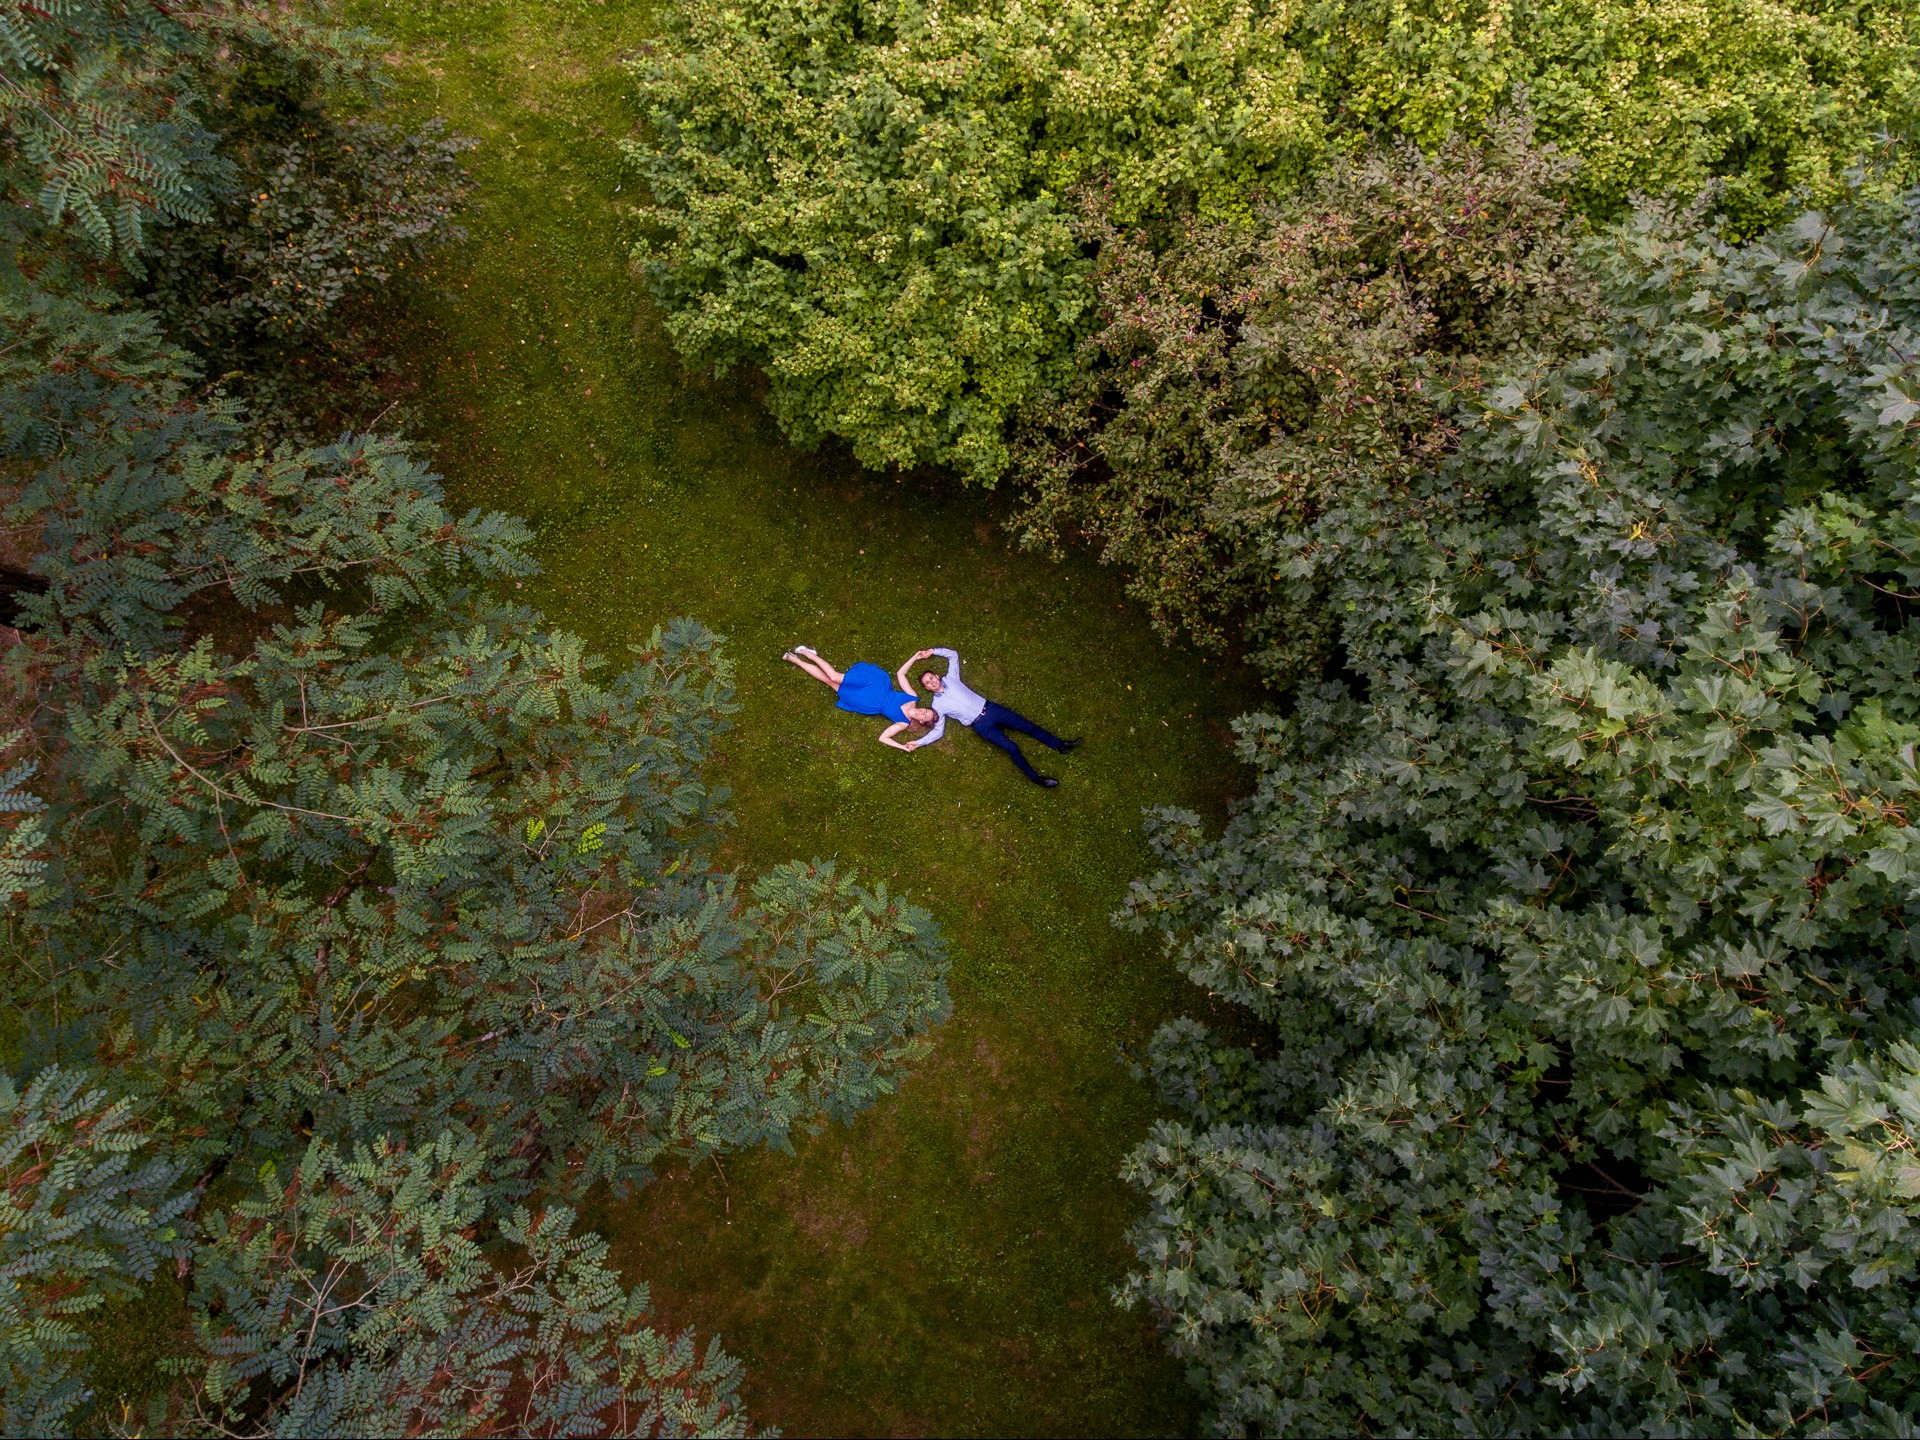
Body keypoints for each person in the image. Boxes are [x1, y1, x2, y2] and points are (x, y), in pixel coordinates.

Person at [896, 646, 1080, 787]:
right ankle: (1036, 779)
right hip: (982, 726)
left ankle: (1060, 745)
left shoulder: (952, 678)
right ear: (927, 688)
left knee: (1028, 726)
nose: (931, 682)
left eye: (931, 678)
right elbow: (938, 731)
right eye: (928, 683)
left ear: (937, 676)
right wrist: (918, 743)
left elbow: (953, 655)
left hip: (992, 709)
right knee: (1012, 748)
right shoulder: (937, 706)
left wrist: (933, 651)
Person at [783, 645, 937, 751]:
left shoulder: (903, 723)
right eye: (925, 710)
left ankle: (795, 659)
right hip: (875, 686)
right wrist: (914, 657)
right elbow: (900, 674)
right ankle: (809, 653)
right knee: (834, 676)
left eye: (924, 716)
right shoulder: (912, 697)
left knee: (829, 681)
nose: (922, 712)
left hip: (867, 702)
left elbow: (883, 738)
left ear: (922, 721)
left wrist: (902, 746)